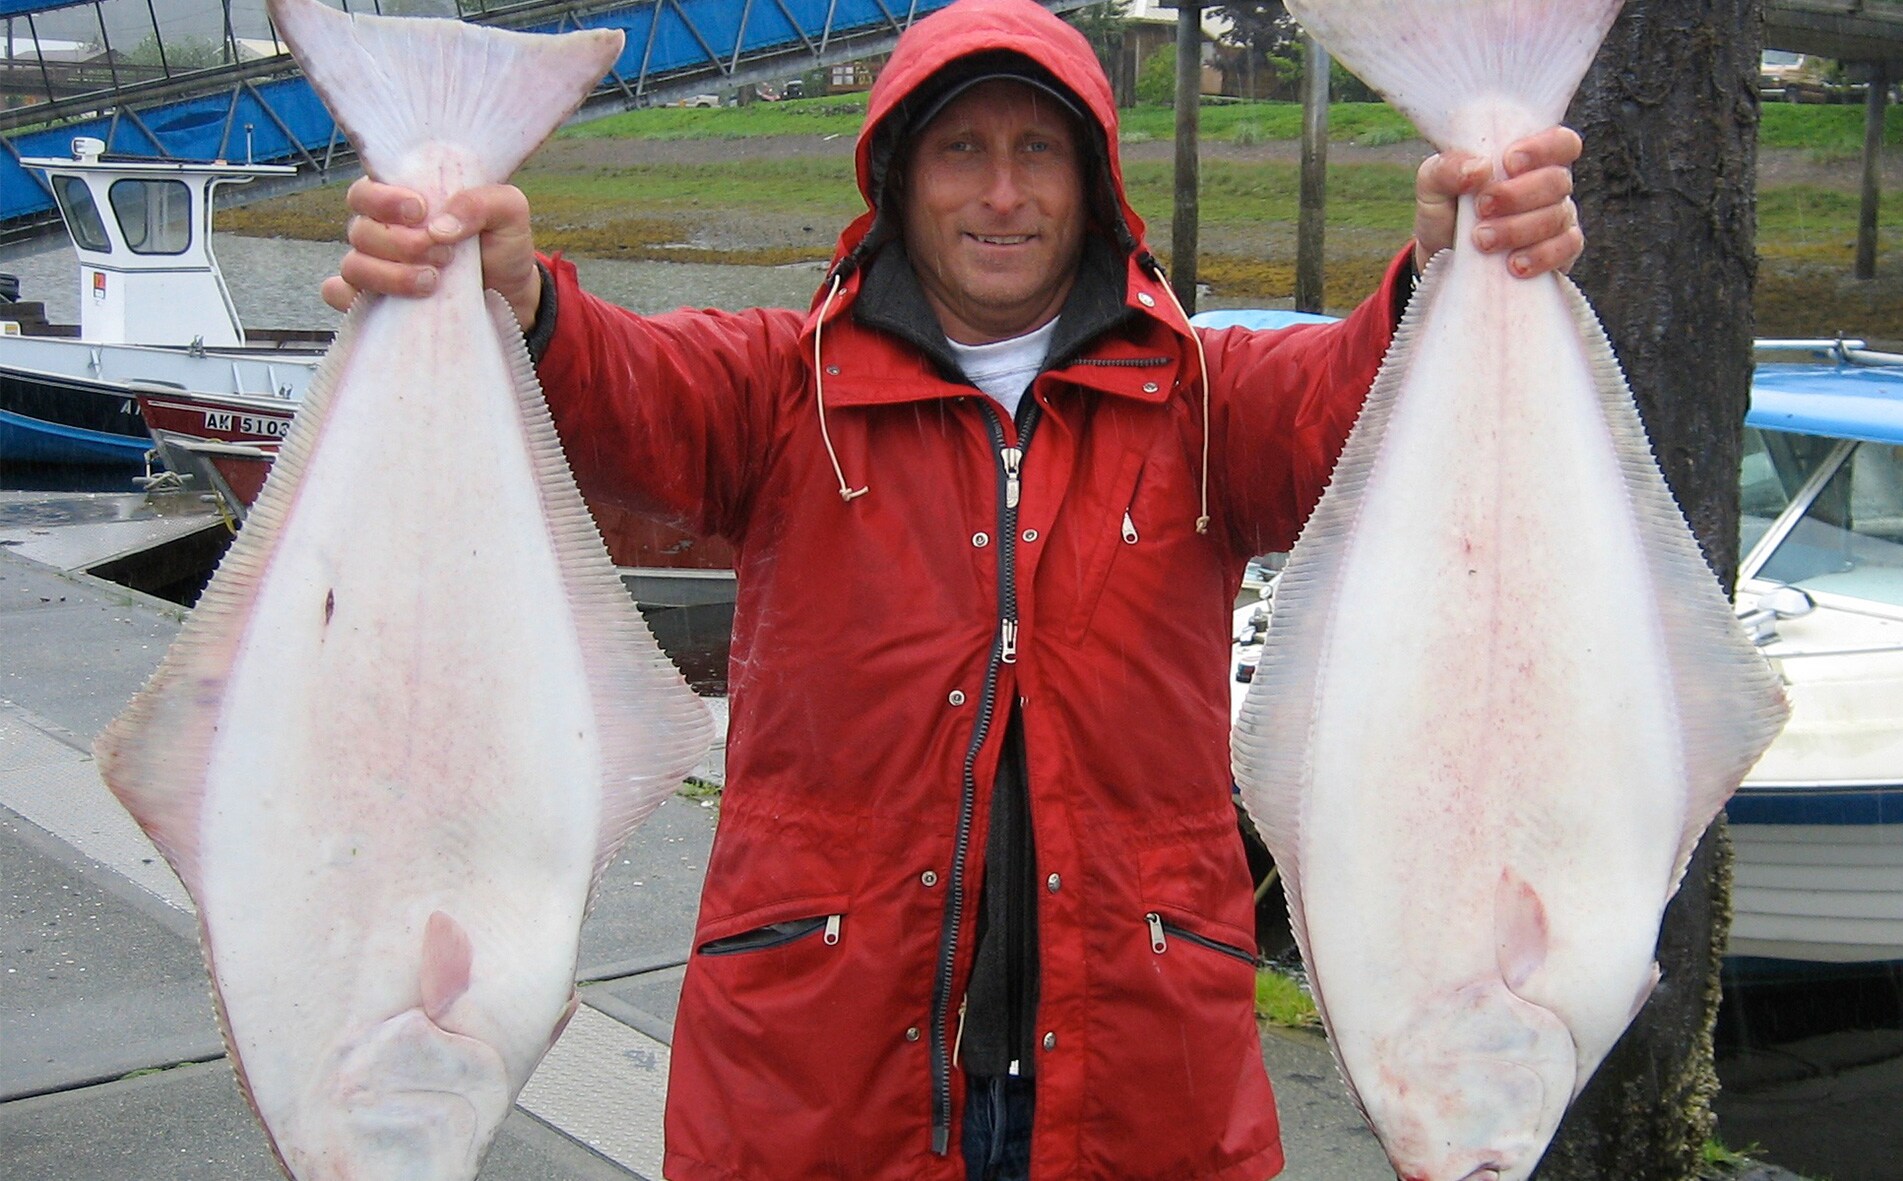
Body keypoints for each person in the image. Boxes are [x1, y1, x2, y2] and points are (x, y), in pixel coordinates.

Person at [329, 2, 1583, 1177]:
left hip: (1138, 1073)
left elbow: (1347, 404)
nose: (1001, 192)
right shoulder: (784, 391)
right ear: (896, 179)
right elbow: (625, 383)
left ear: (1093, 189)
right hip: (824, 1075)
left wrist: (1440, 277)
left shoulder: (1202, 400)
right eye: (961, 150)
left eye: (1040, 151)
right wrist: (515, 294)